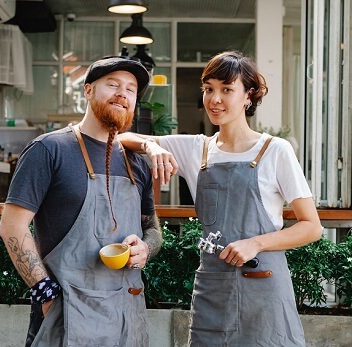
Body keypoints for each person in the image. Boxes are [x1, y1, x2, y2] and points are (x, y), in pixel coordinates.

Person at [119, 51, 322, 346]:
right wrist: (153, 148)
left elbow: (311, 226)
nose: (215, 99)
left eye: (227, 89)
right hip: (213, 289)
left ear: (248, 96)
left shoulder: (275, 150)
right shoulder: (197, 149)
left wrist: (256, 243)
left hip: (263, 286)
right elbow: (124, 138)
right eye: (209, 89)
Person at [0, 56, 162, 347]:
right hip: (67, 316)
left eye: (131, 89)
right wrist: (45, 294)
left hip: (127, 316)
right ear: (88, 91)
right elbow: (12, 227)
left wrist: (146, 248)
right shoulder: (49, 149)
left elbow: (153, 229)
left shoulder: (137, 164)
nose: (122, 94)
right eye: (112, 85)